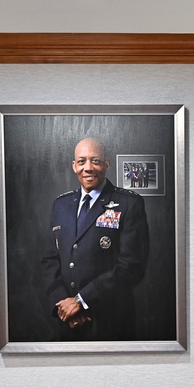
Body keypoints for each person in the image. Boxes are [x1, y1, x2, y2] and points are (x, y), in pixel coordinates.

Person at [40, 138, 150, 341]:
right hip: (67, 320)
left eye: (95, 161)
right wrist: (63, 303)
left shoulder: (128, 204)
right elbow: (50, 260)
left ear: (106, 165)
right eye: (81, 161)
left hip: (111, 321)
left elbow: (131, 266)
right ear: (74, 166)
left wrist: (81, 301)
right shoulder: (61, 205)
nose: (88, 168)